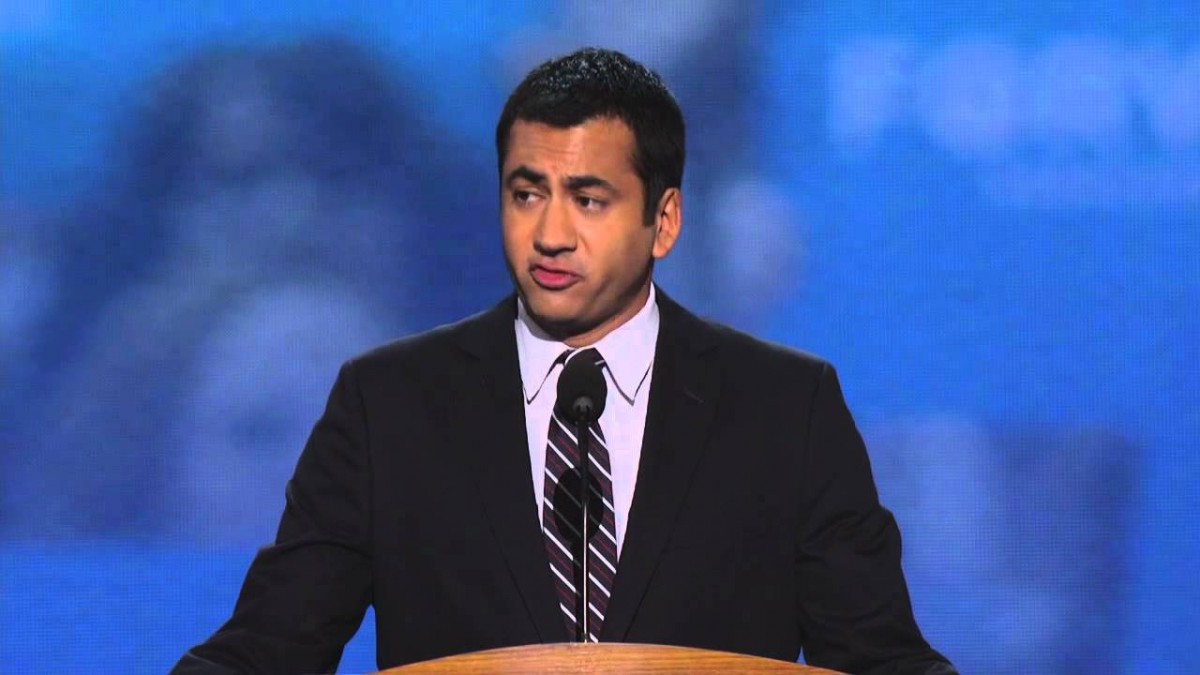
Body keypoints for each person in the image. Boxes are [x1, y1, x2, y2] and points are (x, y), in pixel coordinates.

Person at [174, 47, 957, 674]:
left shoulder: (787, 407)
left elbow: (878, 655)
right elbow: (271, 645)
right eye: (525, 193)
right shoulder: (389, 402)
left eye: (588, 198)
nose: (550, 233)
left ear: (664, 218)